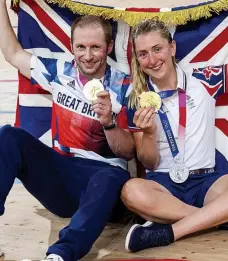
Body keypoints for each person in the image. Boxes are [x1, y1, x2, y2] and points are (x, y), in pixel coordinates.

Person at [121, 0, 228, 253]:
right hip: (163, 186)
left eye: (157, 49)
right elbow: (148, 163)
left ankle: (169, 232)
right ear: (137, 58)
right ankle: (225, 218)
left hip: (206, 183)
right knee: (131, 191)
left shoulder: (203, 79)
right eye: (143, 54)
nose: (152, 59)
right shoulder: (136, 98)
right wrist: (149, 133)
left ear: (172, 48)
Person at [0, 1, 135, 260]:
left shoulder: (124, 87)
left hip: (105, 184)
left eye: (95, 47)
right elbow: (12, 53)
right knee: (8, 135)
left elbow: (129, 153)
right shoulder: (59, 72)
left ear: (108, 47)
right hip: (62, 178)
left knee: (110, 176)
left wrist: (109, 121)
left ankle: (60, 255)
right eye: (81, 47)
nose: (87, 55)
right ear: (72, 47)